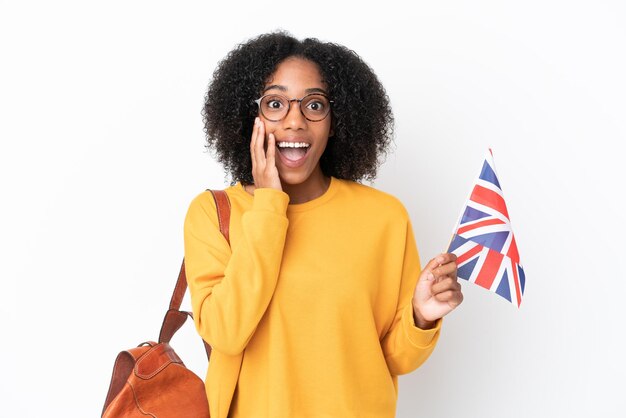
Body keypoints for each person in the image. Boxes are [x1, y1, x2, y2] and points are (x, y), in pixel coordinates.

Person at [183, 31, 463, 418]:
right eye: (275, 103)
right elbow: (225, 333)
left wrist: (420, 316)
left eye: (314, 105)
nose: (295, 122)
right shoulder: (213, 214)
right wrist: (268, 205)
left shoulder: (383, 217)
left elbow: (391, 360)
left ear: (334, 122)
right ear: (251, 119)